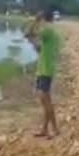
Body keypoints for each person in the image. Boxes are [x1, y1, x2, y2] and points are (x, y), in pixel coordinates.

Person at [26, 9, 61, 138]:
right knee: (46, 100)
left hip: (45, 70)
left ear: (44, 18)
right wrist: (35, 44)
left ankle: (55, 129)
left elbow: (29, 34)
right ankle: (45, 129)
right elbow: (41, 48)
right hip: (46, 68)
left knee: (45, 101)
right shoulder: (52, 32)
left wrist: (35, 20)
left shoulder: (47, 30)